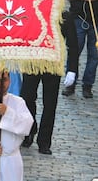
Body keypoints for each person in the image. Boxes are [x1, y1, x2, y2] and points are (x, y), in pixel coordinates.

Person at [20, 11, 78, 155]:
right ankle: (29, 131)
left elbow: (73, 44)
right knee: (26, 98)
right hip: (32, 61)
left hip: (53, 64)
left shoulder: (64, 15)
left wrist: (72, 69)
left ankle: (44, 141)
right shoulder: (32, 11)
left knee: (50, 103)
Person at [62, 0, 98, 98]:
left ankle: (88, 85)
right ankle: (71, 83)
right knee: (74, 52)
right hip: (77, 18)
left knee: (94, 55)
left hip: (96, 21)